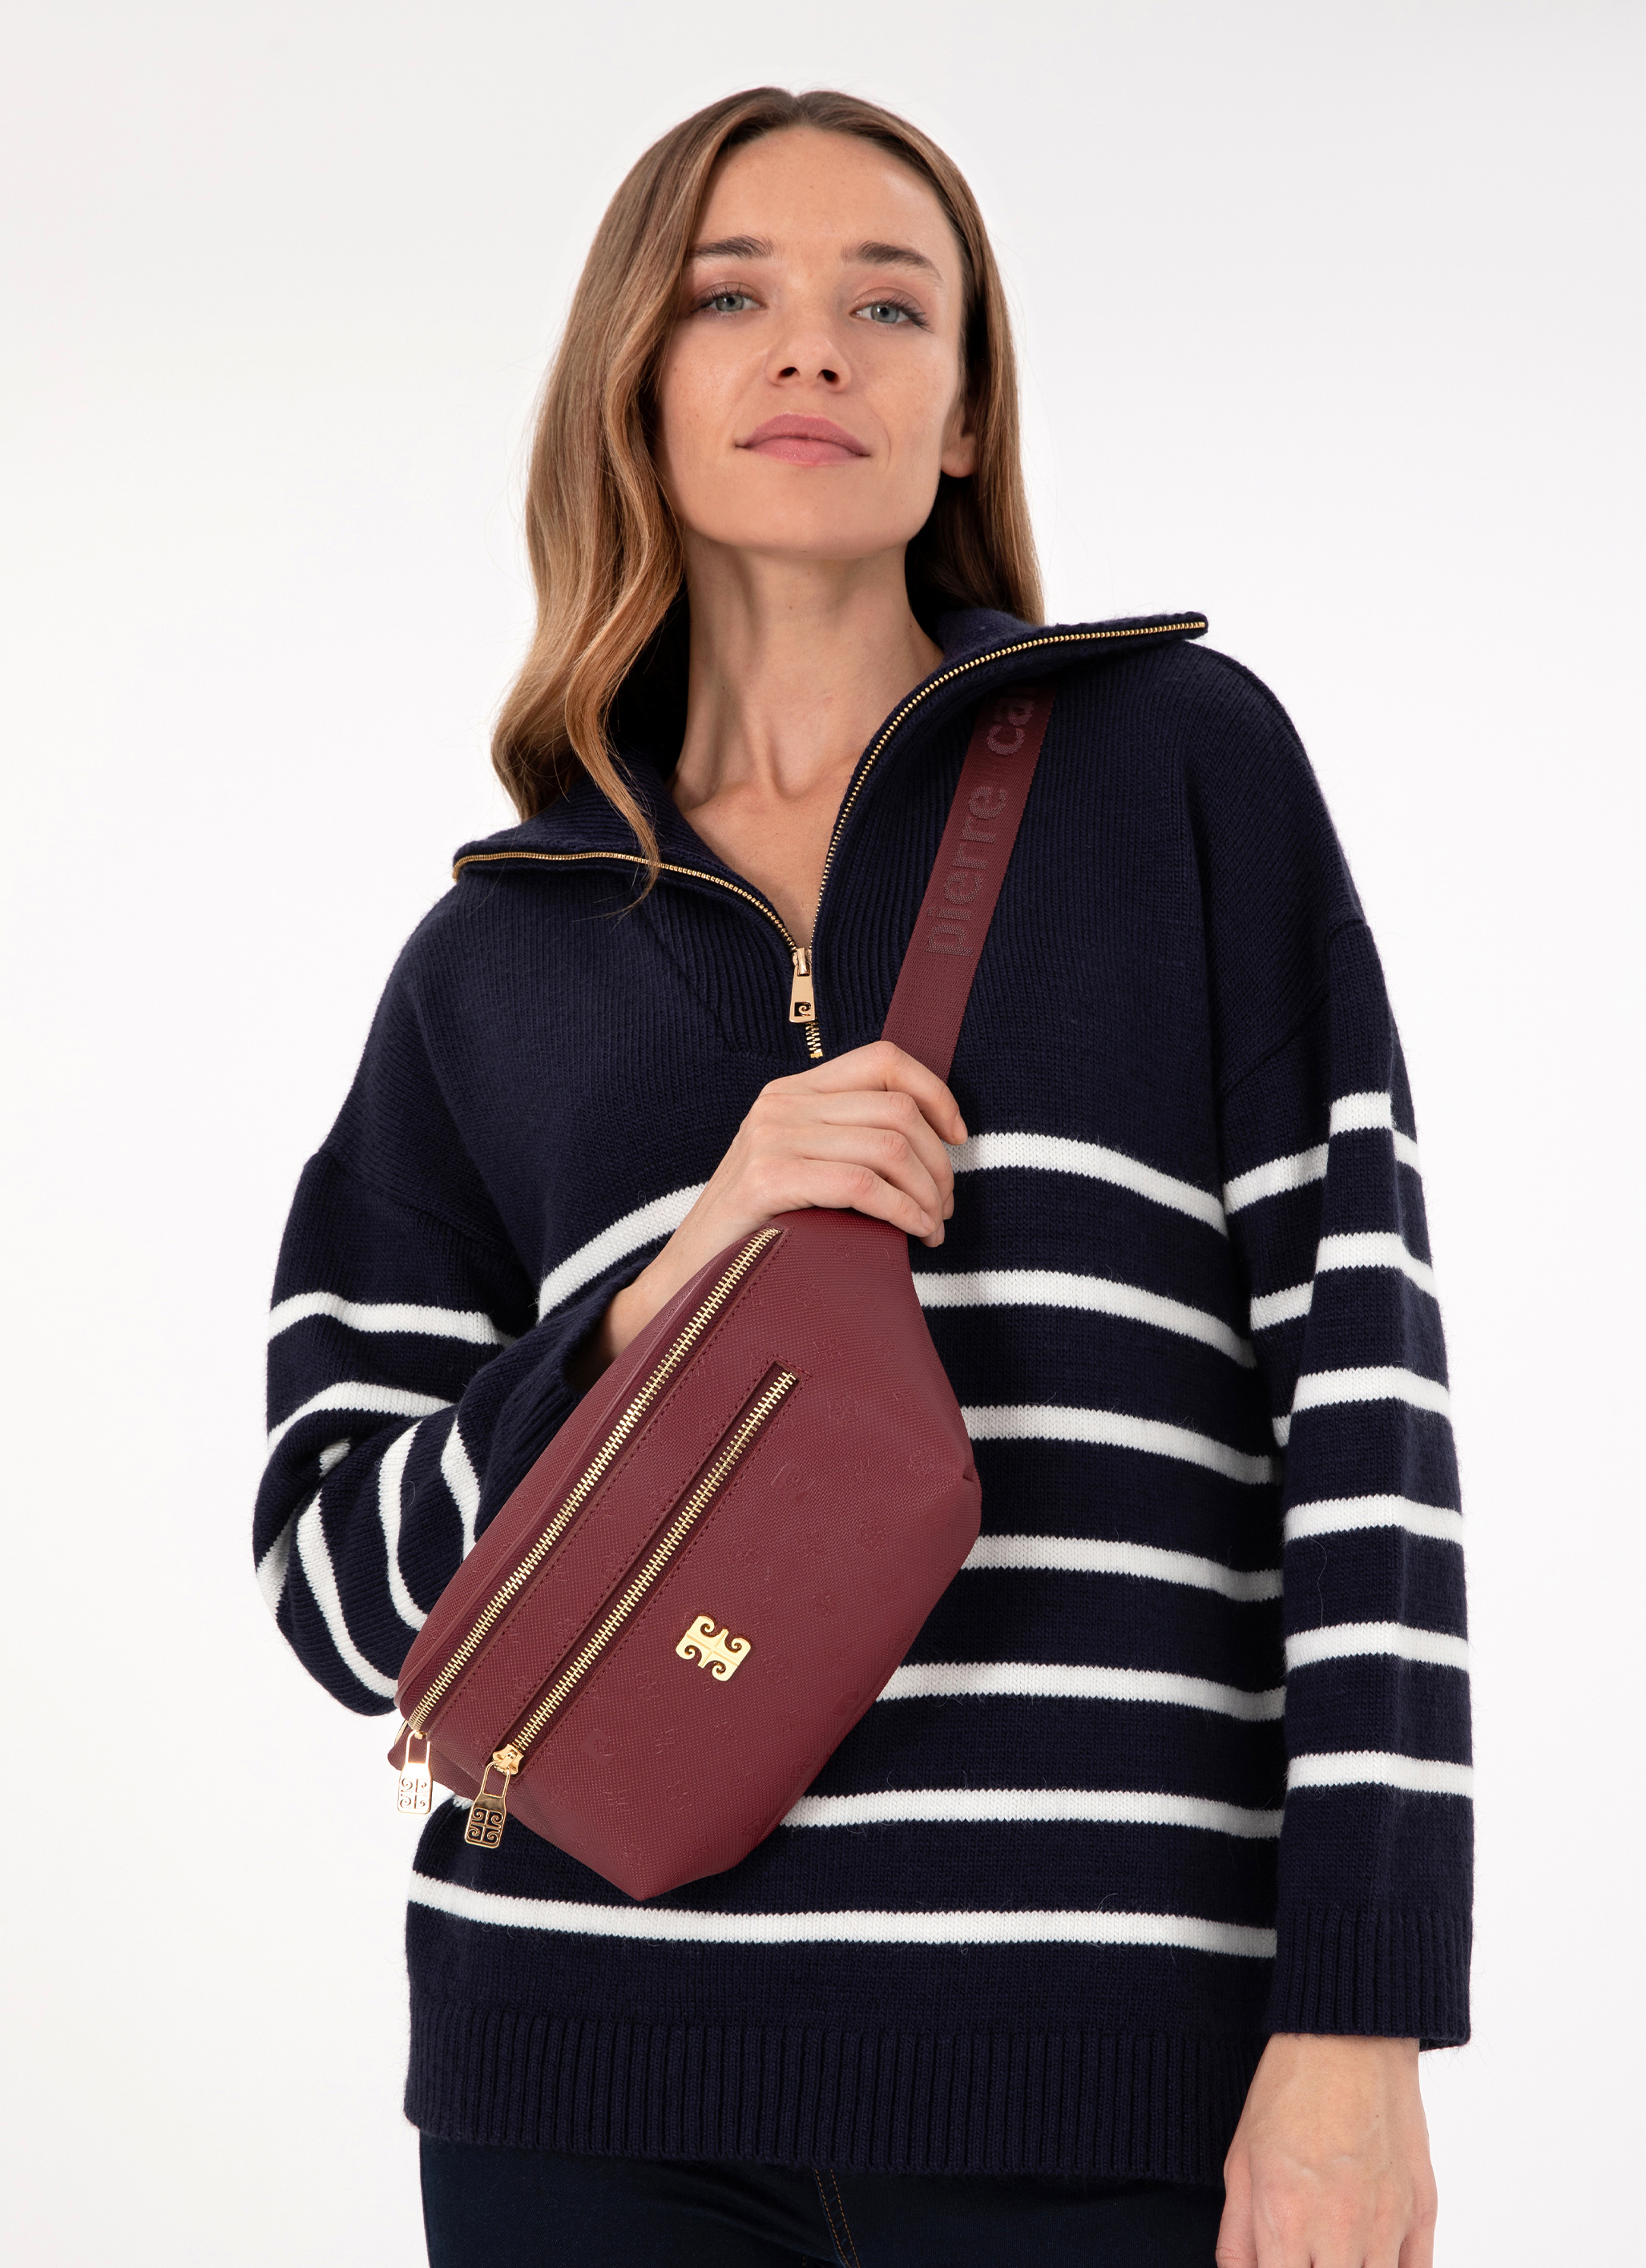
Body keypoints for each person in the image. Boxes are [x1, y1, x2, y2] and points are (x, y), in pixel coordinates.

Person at [256, 86, 1471, 2268]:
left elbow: (1364, 1417)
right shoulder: (494, 956)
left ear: (967, 411)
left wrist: (1359, 2023)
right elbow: (346, 1602)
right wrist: (665, 1285)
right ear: (635, 384)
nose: (811, 343)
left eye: (888, 302)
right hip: (579, 2087)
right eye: (730, 295)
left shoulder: (1186, 776)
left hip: (1106, 2077)